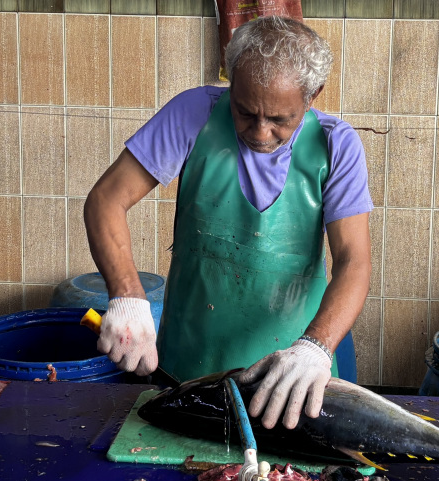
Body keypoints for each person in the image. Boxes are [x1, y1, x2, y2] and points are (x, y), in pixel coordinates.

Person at [84, 16, 372, 431]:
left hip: (291, 374)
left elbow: (354, 262)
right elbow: (106, 200)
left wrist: (315, 347)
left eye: (280, 119)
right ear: (231, 81)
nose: (260, 132)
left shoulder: (336, 145)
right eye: (244, 111)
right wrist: (127, 295)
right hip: (187, 367)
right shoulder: (194, 113)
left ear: (313, 95)